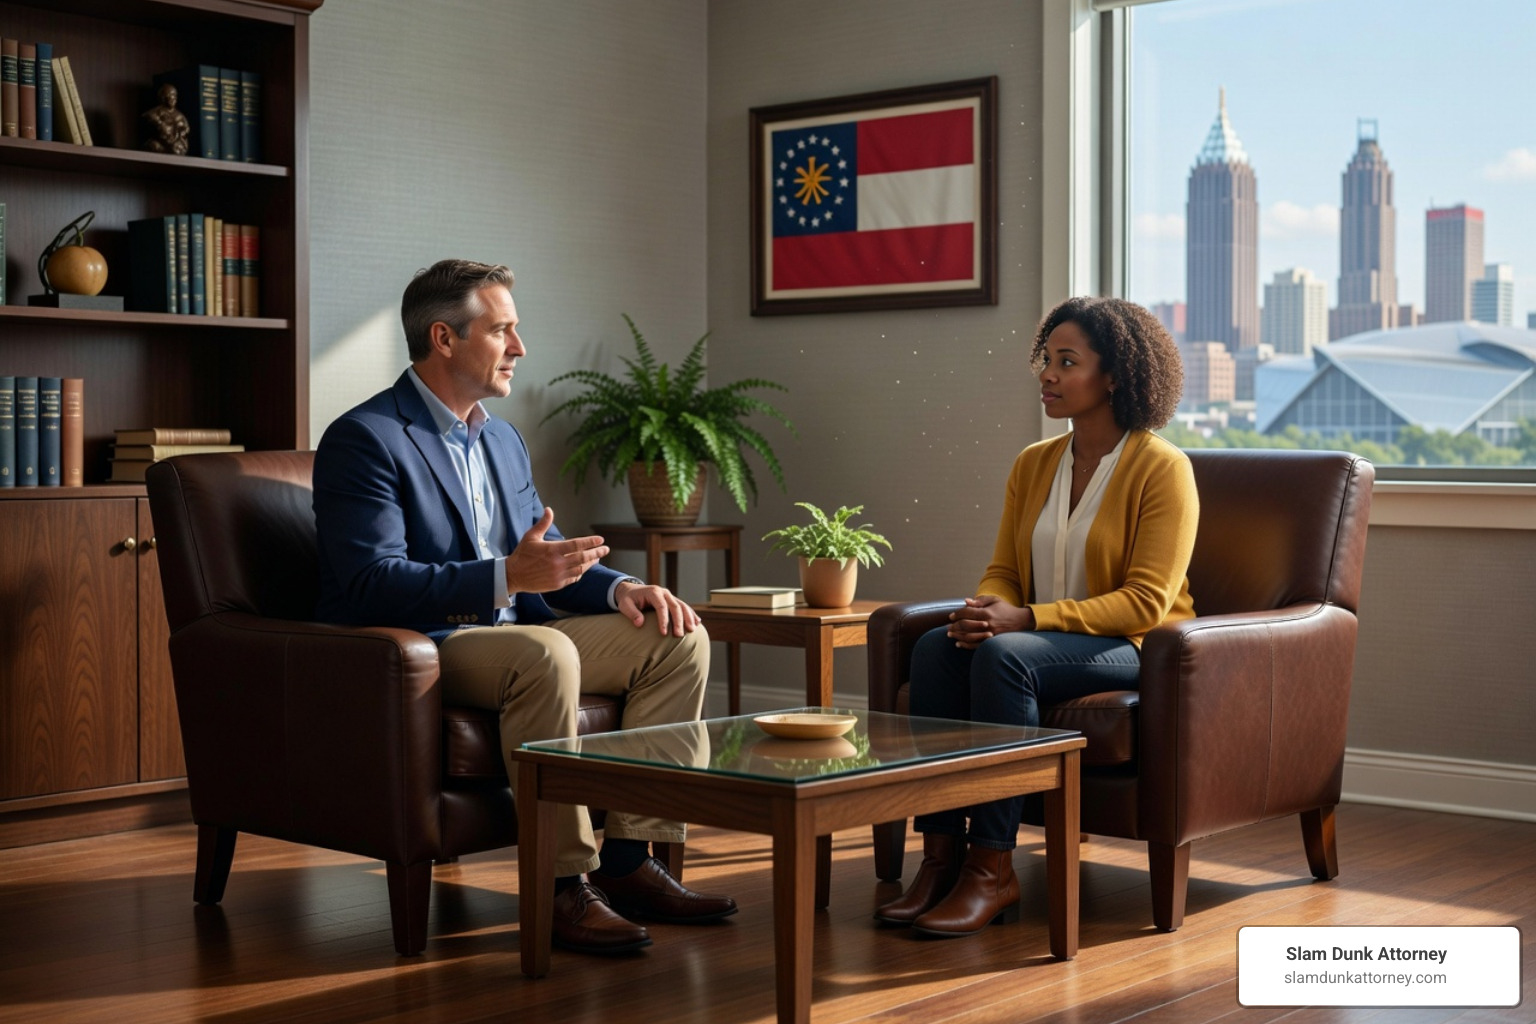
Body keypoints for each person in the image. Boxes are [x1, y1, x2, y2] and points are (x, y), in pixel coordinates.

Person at [313, 259, 736, 956]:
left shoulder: (502, 438)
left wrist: (619, 590)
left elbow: (548, 556)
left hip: (516, 631)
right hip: (426, 642)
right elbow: (369, 581)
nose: (520, 347)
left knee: (676, 636)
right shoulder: (366, 438)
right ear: (444, 338)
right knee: (546, 651)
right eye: (503, 330)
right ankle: (562, 885)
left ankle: (630, 862)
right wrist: (504, 577)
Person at [875, 296, 1197, 938]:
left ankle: (993, 869)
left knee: (1004, 657)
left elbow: (1145, 602)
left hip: (1130, 645)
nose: (1047, 374)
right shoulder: (1034, 463)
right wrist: (986, 608)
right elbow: (1004, 569)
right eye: (1046, 360)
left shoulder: (1164, 469)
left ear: (1114, 376)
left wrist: (1024, 620)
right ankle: (941, 857)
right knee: (939, 649)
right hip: (1036, 633)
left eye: (1067, 362)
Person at [141, 83, 190, 155]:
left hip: (179, 146)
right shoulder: (154, 113)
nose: (173, 98)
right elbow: (148, 117)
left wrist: (183, 132)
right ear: (162, 97)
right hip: (162, 146)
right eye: (170, 95)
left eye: (174, 95)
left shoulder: (180, 115)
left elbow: (186, 129)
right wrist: (160, 124)